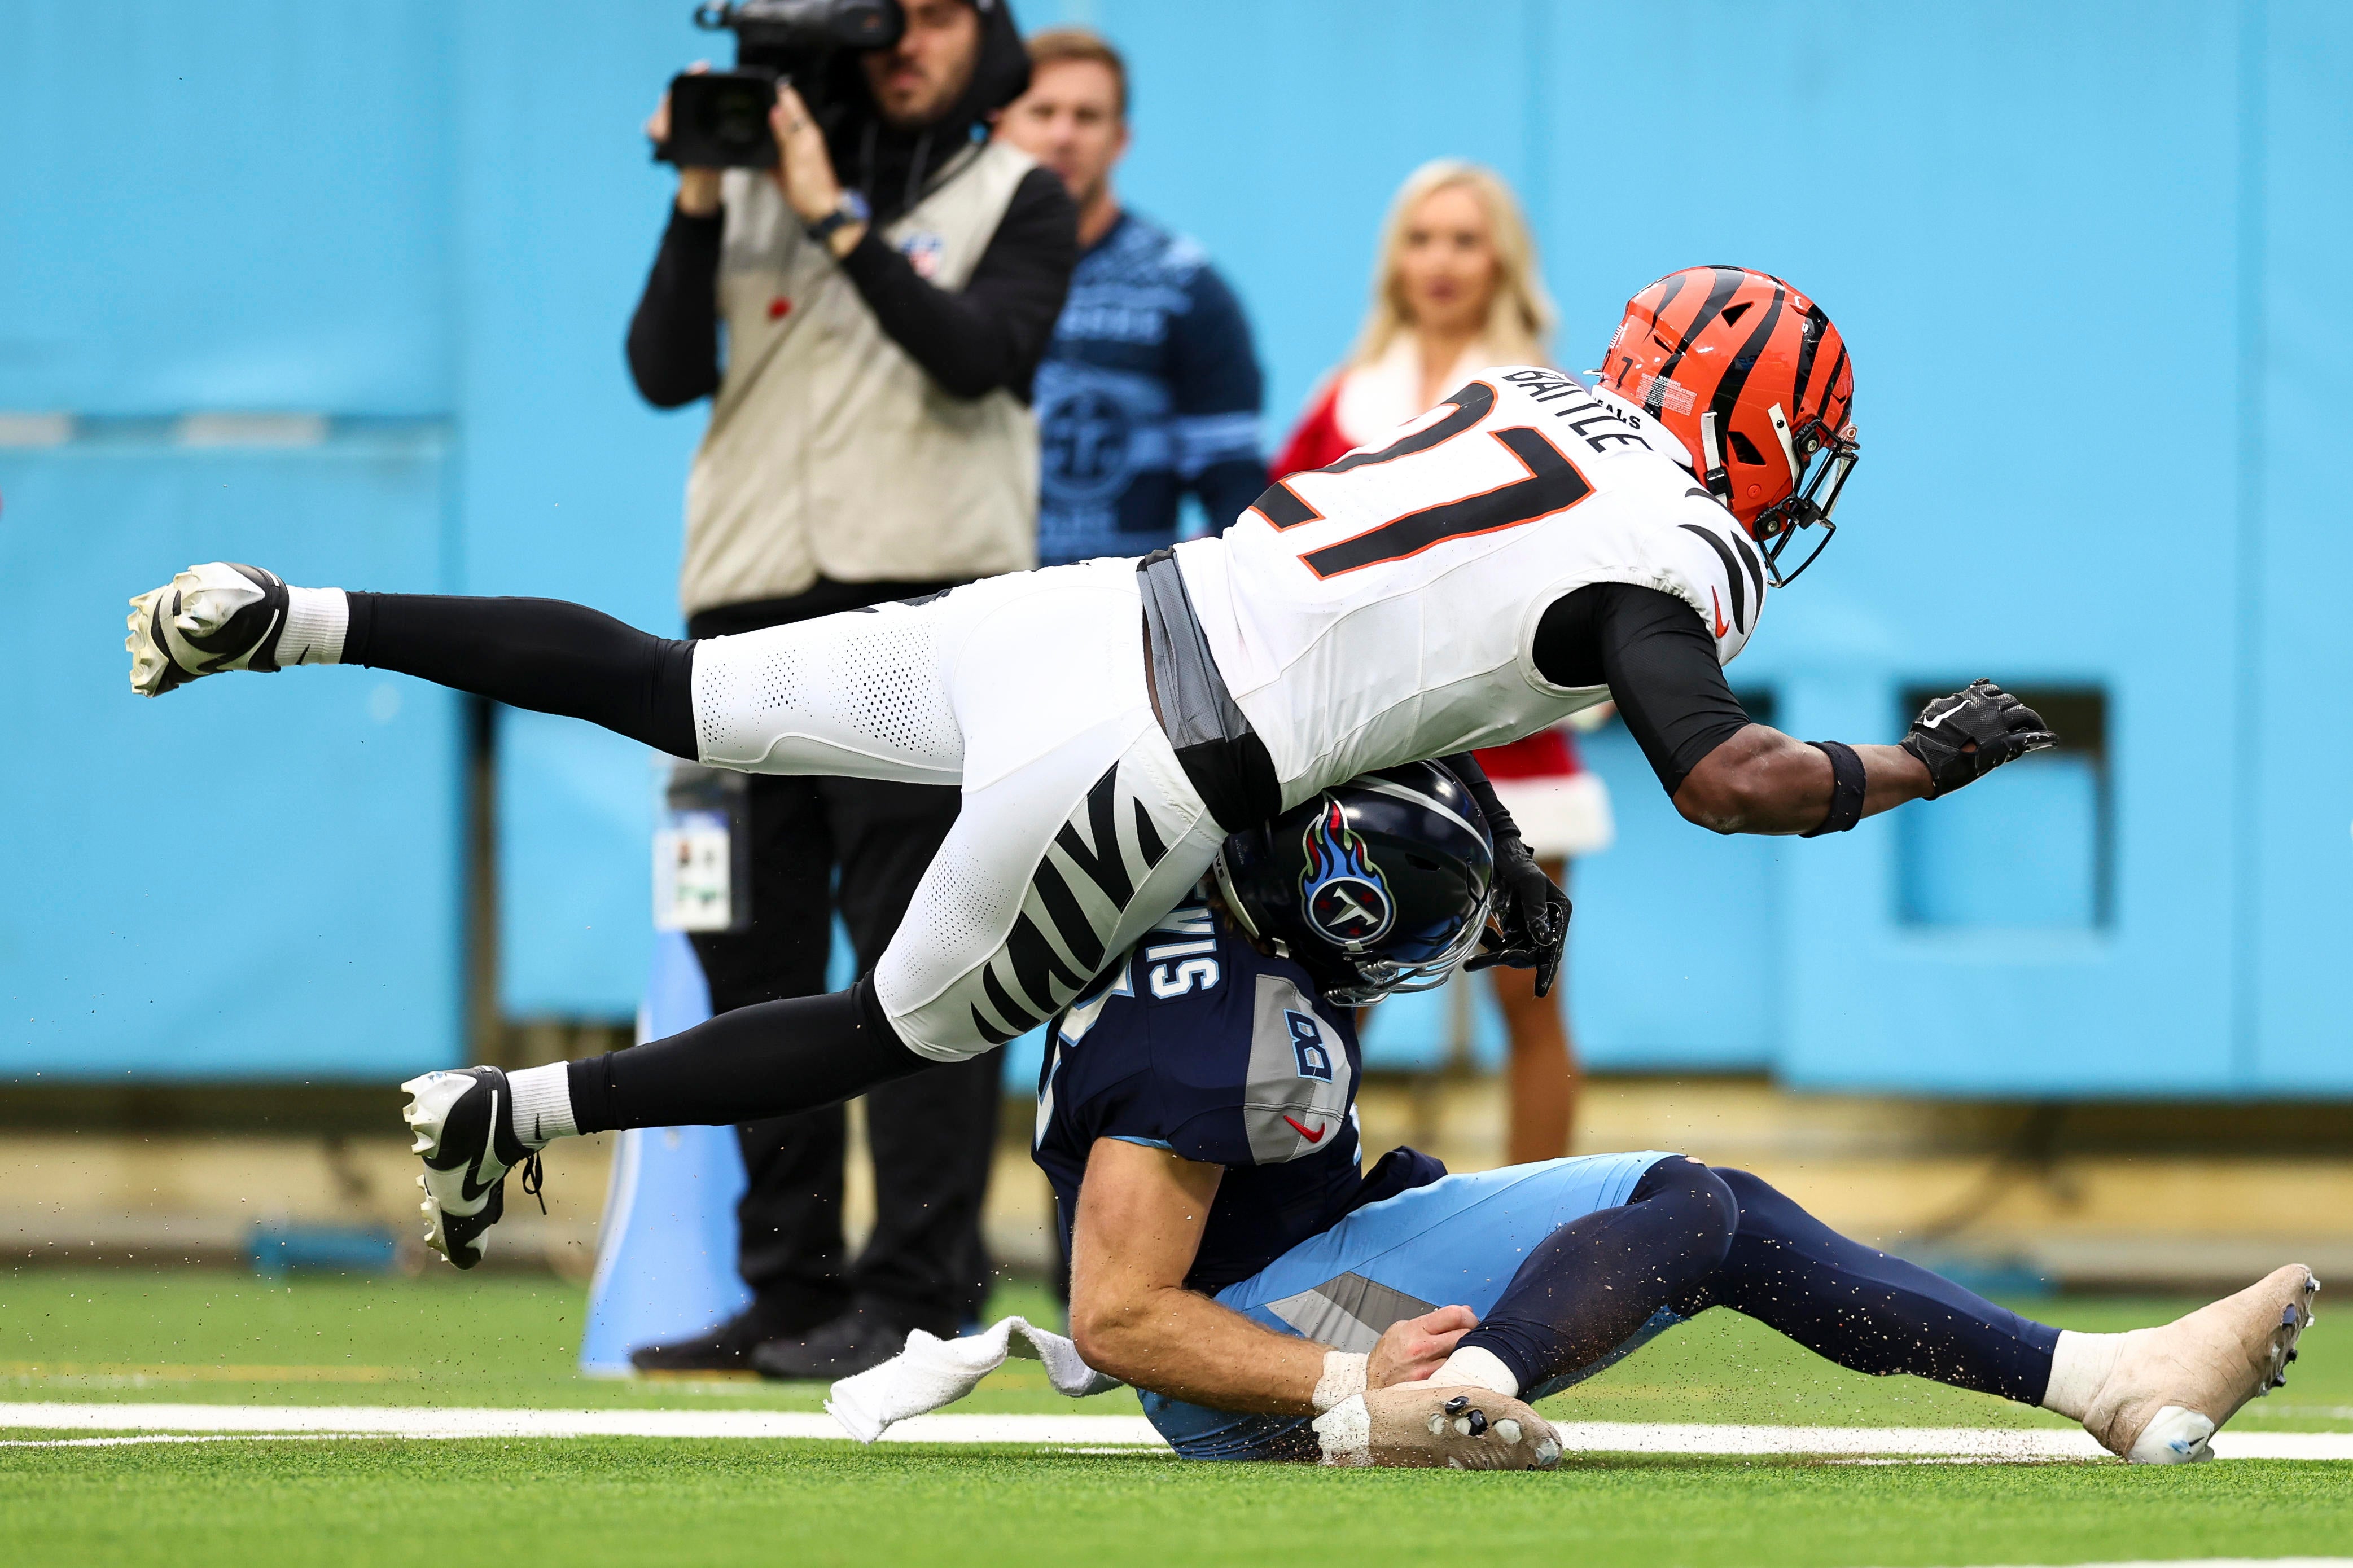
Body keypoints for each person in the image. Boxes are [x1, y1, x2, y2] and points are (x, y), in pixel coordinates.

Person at [124, 266, 2061, 1303]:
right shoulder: (1673, 549)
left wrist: (1468, 811)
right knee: (892, 1018)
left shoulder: (1511, 403)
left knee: (676, 685)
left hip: (1084, 611)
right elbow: (1720, 772)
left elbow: (1429, 626)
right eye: (1789, 449)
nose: (1783, 493)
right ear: (1740, 426)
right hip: (1149, 761)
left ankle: (289, 608)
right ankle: (509, 1105)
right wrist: (1911, 764)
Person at [996, 775, 2319, 1466]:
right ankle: (1454, 1401)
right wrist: (1346, 1382)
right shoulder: (1206, 1037)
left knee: (1711, 1202)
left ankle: (2103, 1383)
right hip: (1238, 1358)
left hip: (1295, 1261)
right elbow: (1117, 1318)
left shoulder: (1230, 891)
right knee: (1681, 1212)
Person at [619, 0, 1079, 1377]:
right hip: (741, 620)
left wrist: (831, 221)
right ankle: (790, 1286)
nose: (902, 42)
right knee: (746, 960)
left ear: (986, 40)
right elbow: (659, 370)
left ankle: (915, 1291)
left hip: (921, 628)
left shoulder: (1020, 195)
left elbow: (977, 355)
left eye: (934, 15)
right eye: (881, 16)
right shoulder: (750, 187)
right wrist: (704, 198)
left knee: (921, 965)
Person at [1270, 160, 1602, 1160]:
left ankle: (1542, 1244)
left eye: (1464, 238)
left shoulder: (1544, 396)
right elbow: (1273, 541)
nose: (1441, 261)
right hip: (1363, 740)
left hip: (1509, 739)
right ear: (1394, 259)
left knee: (1527, 1000)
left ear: (1499, 255)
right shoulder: (1345, 396)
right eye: (1421, 238)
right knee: (1339, 988)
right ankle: (1310, 1218)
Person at [993, 27, 1267, 567]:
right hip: (962, 609)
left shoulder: (1183, 286)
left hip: (1118, 616)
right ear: (999, 126)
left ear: (1121, 139)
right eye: (1042, 112)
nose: (1063, 135)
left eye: (1087, 116)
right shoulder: (950, 273)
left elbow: (1235, 491)